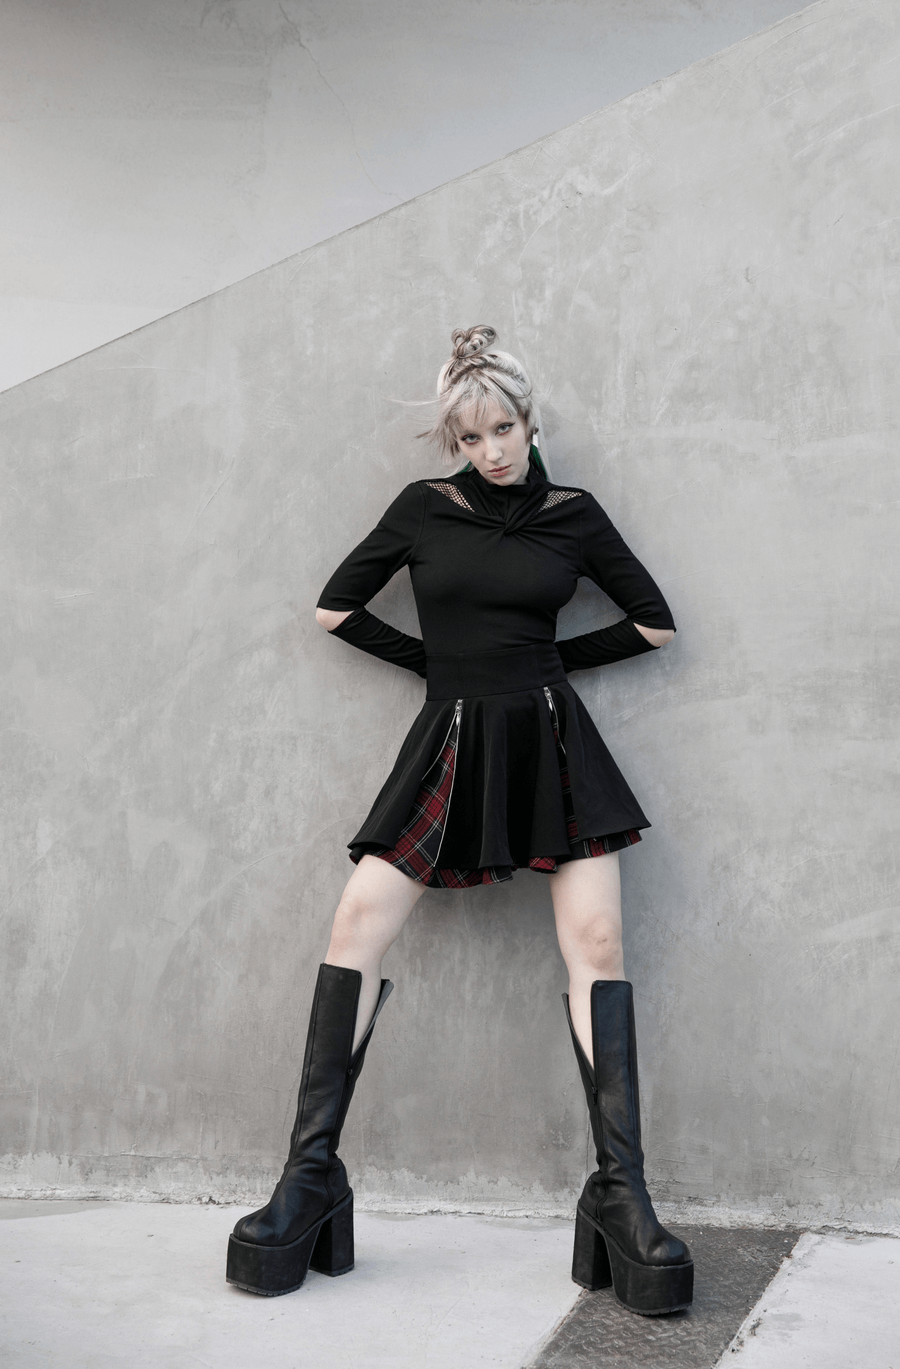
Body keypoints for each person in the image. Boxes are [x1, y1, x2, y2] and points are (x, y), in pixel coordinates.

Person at [225, 326, 694, 1315]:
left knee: (599, 944)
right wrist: (444, 675)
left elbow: (653, 621)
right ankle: (309, 1182)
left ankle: (620, 1194)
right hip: (449, 740)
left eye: (507, 428)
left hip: (555, 741)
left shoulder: (573, 515)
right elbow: (335, 610)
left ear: (531, 422)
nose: (492, 450)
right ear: (454, 438)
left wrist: (549, 667)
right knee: (356, 925)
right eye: (473, 435)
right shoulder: (421, 511)